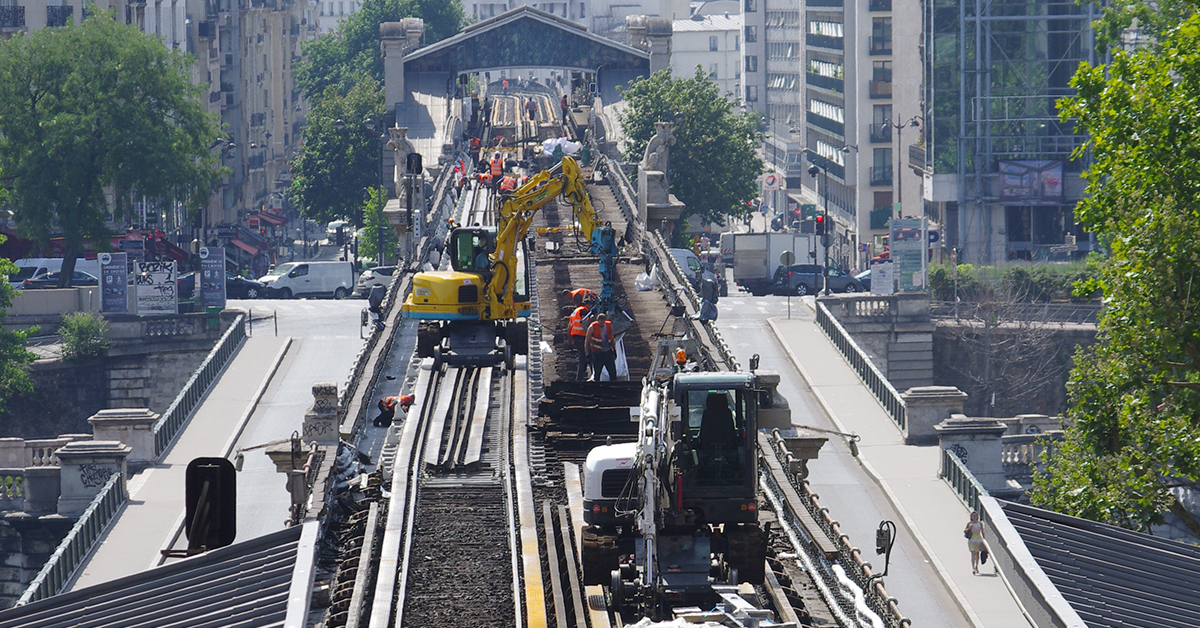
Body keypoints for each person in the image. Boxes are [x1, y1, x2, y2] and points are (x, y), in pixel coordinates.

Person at [584, 312, 617, 381]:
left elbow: (612, 338)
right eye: (600, 323)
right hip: (597, 354)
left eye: (603, 323)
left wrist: (614, 350)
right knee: (597, 373)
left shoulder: (608, 325)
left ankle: (613, 385)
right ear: (597, 320)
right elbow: (587, 341)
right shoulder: (592, 327)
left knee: (612, 372)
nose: (601, 324)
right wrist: (587, 354)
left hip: (607, 352)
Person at [567, 304, 590, 380]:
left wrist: (570, 341)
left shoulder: (574, 313)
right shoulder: (583, 310)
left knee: (582, 358)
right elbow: (586, 322)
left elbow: (569, 327)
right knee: (588, 358)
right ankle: (583, 377)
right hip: (583, 337)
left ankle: (580, 377)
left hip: (576, 337)